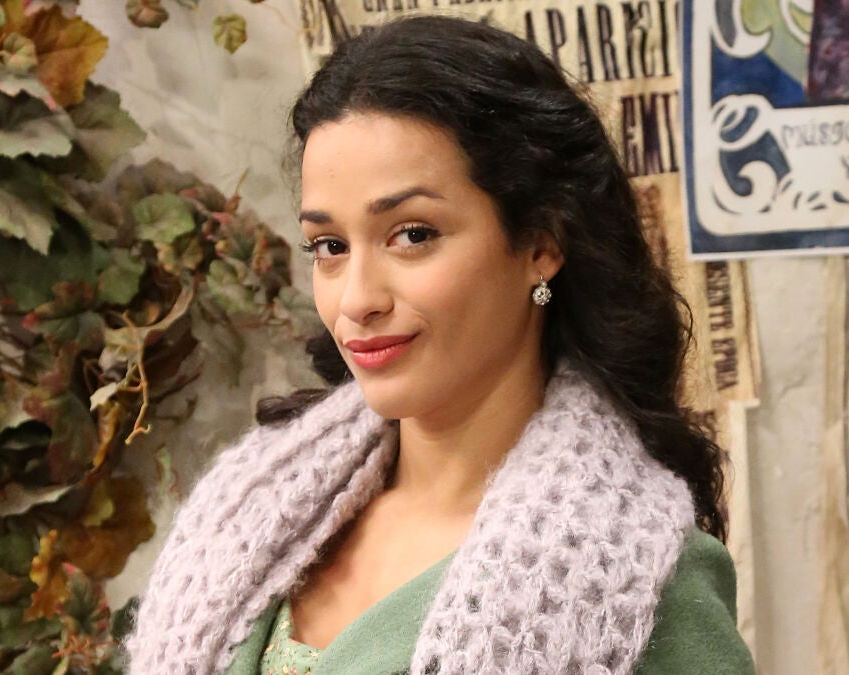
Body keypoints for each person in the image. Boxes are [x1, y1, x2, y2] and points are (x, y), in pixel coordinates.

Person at [125, 15, 755, 674]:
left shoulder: (640, 579)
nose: (357, 298)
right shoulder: (240, 511)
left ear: (541, 244)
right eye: (330, 246)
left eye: (413, 234)